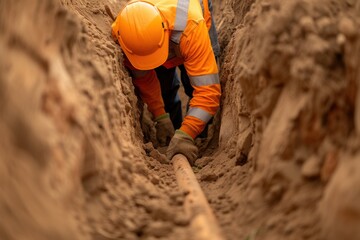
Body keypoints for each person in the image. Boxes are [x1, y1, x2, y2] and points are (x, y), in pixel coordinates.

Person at [111, 0, 221, 165]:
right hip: (165, 33)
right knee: (165, 90)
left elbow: (208, 91)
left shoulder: (192, 28)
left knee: (194, 88)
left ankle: (197, 140)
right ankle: (172, 133)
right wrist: (160, 115)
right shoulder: (126, 33)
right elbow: (144, 77)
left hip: (192, 23)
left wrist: (187, 133)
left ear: (164, 35)